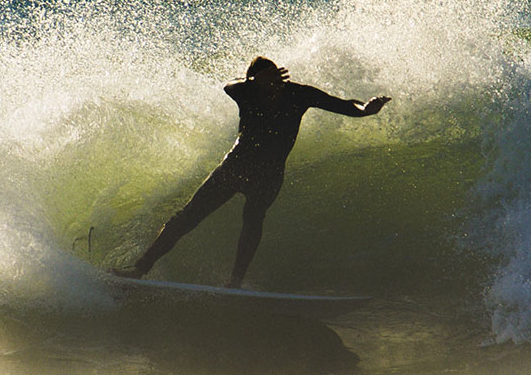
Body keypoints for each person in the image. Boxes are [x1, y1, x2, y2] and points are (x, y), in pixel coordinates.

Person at [113, 56, 390, 288]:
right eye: (265, 83)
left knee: (253, 220)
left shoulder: (298, 94)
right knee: (188, 217)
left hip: (269, 175)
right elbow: (228, 86)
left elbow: (342, 105)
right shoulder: (246, 92)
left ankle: (235, 281)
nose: (272, 88)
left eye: (275, 82)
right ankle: (139, 269)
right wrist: (252, 83)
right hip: (236, 166)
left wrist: (365, 109)